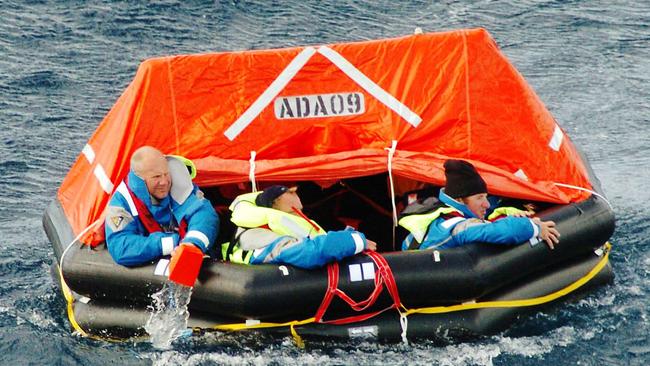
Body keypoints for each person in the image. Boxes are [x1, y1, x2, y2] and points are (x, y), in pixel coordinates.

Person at [399, 159, 560, 251]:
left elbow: (485, 213)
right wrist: (535, 227)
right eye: (480, 198)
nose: (486, 203)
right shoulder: (455, 226)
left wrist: (502, 212)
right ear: (460, 200)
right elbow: (504, 232)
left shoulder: (437, 212)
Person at [105, 146, 219, 266]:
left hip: (186, 249)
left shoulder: (179, 184)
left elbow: (204, 213)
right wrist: (172, 243)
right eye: (156, 177)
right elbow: (121, 247)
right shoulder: (121, 203)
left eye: (166, 174)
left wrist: (192, 243)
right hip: (158, 255)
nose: (164, 182)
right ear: (140, 180)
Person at [223, 185, 377, 269]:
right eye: (289, 192)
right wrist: (354, 241)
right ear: (276, 202)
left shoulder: (280, 227)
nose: (296, 192)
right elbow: (309, 253)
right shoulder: (258, 236)